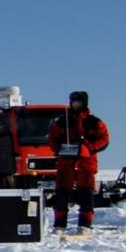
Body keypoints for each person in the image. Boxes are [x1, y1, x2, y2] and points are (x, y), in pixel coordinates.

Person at [48, 91, 109, 236]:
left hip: (86, 163)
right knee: (61, 194)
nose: (75, 104)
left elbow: (104, 139)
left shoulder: (94, 122)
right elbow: (52, 138)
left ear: (84, 102)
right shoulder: (62, 122)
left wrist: (89, 148)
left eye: (78, 101)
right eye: (73, 101)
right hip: (66, 163)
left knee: (86, 194)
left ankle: (85, 225)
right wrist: (58, 149)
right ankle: (59, 225)